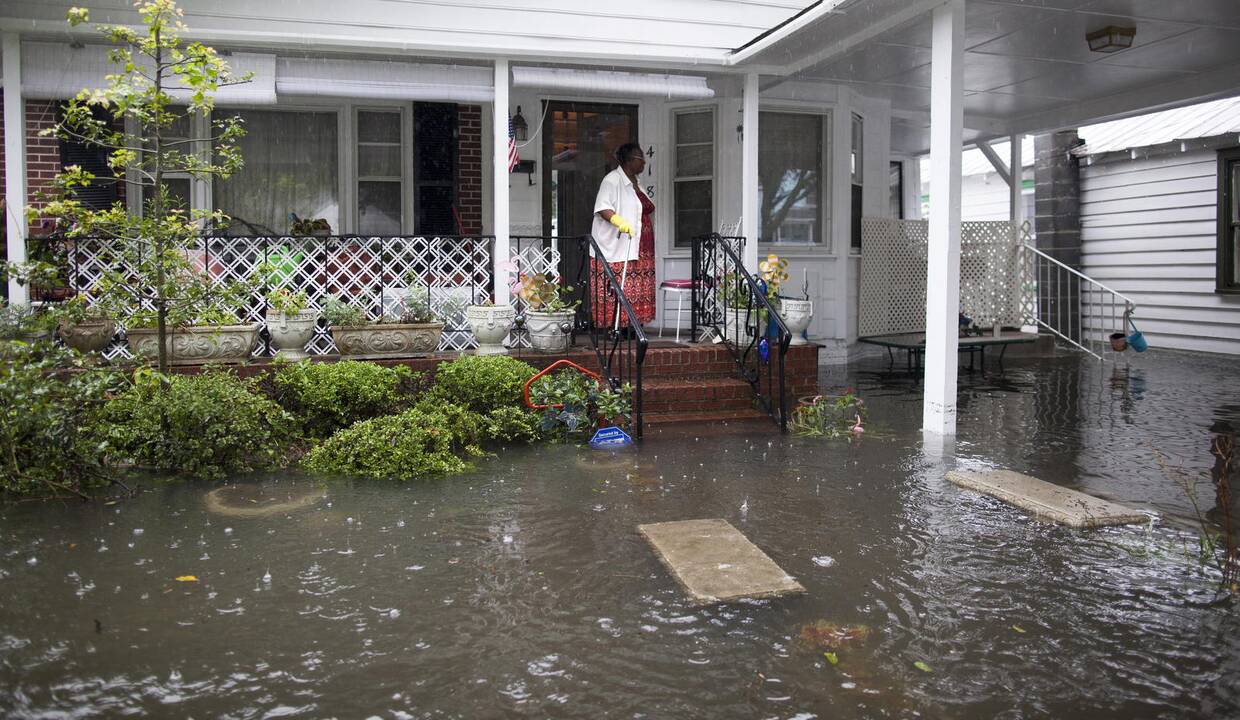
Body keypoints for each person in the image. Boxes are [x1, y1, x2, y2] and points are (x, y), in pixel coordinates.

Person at [590, 141, 656, 331]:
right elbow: (603, 208)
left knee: (638, 288)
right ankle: (616, 326)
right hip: (618, 245)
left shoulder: (637, 183)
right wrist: (620, 222)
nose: (644, 163)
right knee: (621, 286)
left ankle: (634, 326)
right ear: (629, 161)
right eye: (640, 159)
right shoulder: (612, 180)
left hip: (640, 247)